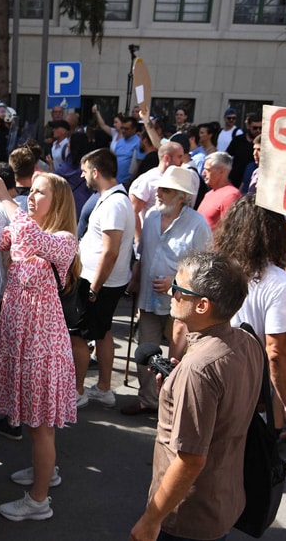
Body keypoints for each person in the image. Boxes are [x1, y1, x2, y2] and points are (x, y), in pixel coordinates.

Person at [129, 250, 263, 541]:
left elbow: (190, 460)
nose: (171, 294)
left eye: (178, 290)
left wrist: (151, 519)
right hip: (223, 500)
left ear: (202, 305)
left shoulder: (198, 369)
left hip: (188, 516)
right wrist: (177, 386)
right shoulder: (248, 341)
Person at [0, 169, 80, 521]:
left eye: (39, 193)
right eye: (30, 192)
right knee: (38, 425)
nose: (31, 198)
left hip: (42, 345)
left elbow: (30, 236)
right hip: (24, 340)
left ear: (58, 202)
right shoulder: (25, 231)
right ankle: (45, 473)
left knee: (39, 425)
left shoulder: (63, 239)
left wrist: (6, 196)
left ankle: (38, 501)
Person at [123, 166, 210, 416]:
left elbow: (205, 267)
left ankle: (174, 405)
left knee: (179, 356)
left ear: (182, 196)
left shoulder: (198, 224)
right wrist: (136, 277)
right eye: (159, 188)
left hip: (182, 303)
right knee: (146, 350)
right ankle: (148, 399)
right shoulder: (150, 217)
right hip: (148, 299)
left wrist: (176, 280)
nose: (159, 193)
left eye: (166, 190)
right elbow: (143, 254)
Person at [214, 195, 286, 437]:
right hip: (247, 393)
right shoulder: (279, 282)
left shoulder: (213, 267)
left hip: (208, 375)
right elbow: (276, 352)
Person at [73, 149, 134, 408]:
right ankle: (103, 388)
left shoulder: (115, 203)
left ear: (96, 172)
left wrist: (94, 288)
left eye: (85, 171)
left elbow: (110, 252)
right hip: (102, 281)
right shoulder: (111, 199)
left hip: (100, 283)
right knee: (102, 332)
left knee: (78, 336)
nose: (82, 175)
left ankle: (77, 392)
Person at [196, 151, 240, 232]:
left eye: (208, 170)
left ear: (222, 171)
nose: (203, 173)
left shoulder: (231, 195)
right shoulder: (209, 194)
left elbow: (229, 231)